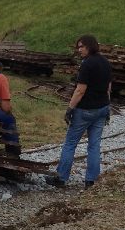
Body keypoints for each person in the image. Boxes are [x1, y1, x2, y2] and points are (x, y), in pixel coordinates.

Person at [46, 35, 112, 188]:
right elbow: (108, 88)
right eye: (78, 47)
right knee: (94, 145)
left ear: (90, 46)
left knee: (70, 144)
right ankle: (91, 180)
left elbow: (80, 90)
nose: (79, 50)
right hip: (102, 109)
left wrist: (70, 108)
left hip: (85, 110)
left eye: (81, 46)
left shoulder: (87, 64)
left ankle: (61, 178)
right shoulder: (106, 62)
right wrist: (107, 107)